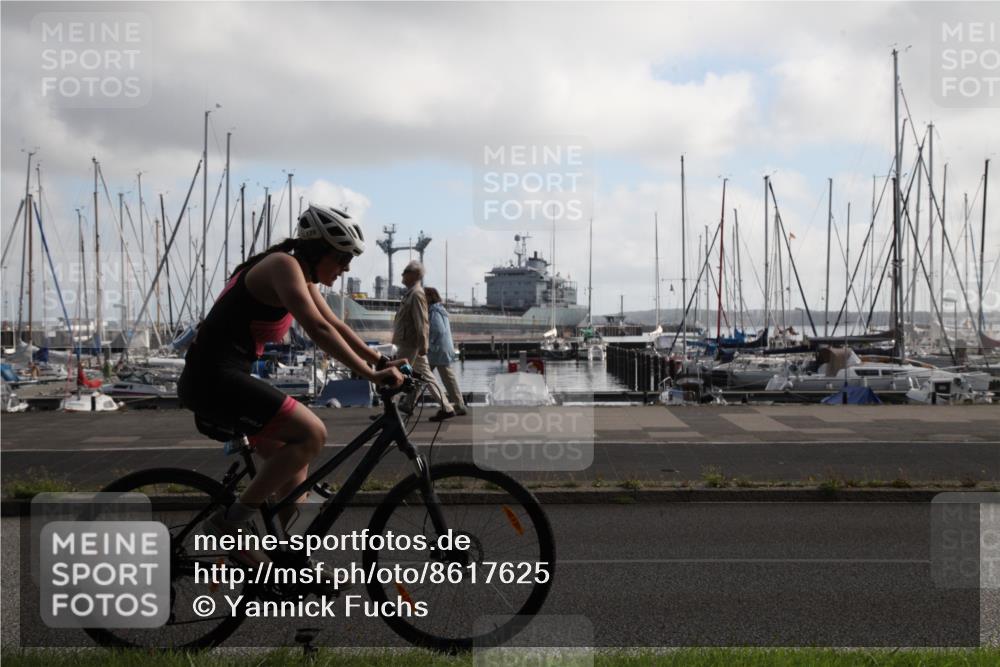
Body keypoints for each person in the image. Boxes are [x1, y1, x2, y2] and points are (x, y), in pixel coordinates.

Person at [177, 205, 405, 565]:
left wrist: (379, 361)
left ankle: (292, 561)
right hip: (212, 379)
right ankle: (227, 525)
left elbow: (337, 325)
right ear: (319, 250)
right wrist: (370, 375)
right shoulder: (283, 266)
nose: (346, 268)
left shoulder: (300, 273)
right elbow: (318, 330)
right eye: (343, 258)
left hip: (225, 377)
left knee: (294, 468)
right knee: (312, 433)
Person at [392, 260, 455, 421]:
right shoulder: (412, 293)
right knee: (426, 376)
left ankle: (391, 410)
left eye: (405, 271)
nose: (402, 274)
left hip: (410, 343)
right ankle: (446, 407)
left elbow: (422, 322)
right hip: (410, 342)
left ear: (414, 274)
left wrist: (423, 344)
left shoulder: (417, 294)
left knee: (397, 373)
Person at [425, 287, 467, 416]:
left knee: (423, 375)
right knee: (441, 377)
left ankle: (408, 404)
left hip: (437, 350)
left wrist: (429, 344)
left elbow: (438, 330)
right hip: (442, 349)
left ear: (429, 297)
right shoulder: (440, 310)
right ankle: (459, 404)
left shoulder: (434, 311)